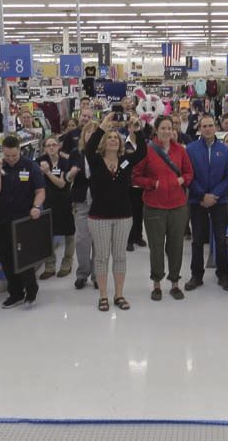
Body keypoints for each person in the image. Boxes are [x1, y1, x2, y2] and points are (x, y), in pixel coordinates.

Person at [85, 113, 147, 312]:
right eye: (109, 138)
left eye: (116, 138)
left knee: (120, 256)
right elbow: (88, 147)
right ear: (104, 142)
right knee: (101, 257)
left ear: (120, 143)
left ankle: (119, 294)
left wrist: (137, 129)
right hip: (99, 217)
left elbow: (142, 152)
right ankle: (103, 295)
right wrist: (102, 127)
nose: (112, 140)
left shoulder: (125, 161)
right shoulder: (95, 161)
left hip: (123, 216)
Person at [133, 115, 194, 302]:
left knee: (176, 246)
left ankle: (175, 283)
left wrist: (182, 180)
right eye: (163, 128)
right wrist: (153, 183)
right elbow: (135, 176)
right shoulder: (148, 151)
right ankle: (157, 283)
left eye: (170, 128)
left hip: (178, 206)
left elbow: (189, 172)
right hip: (154, 207)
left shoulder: (180, 151)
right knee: (156, 247)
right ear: (156, 130)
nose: (167, 132)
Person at [0, 135, 46, 308]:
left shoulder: (30, 166)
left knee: (24, 258)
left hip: (23, 220)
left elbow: (40, 190)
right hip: (2, 220)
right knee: (6, 259)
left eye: (14, 155)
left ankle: (31, 290)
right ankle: (15, 293)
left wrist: (36, 206)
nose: (11, 159)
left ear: (19, 151)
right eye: (7, 156)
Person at [185, 114, 228, 292]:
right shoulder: (191, 149)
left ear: (216, 127)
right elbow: (188, 175)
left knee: (221, 240)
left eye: (210, 125)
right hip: (197, 201)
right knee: (197, 240)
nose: (207, 128)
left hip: (219, 201)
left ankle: (223, 275)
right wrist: (202, 195)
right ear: (200, 128)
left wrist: (214, 195)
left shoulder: (224, 150)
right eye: (204, 126)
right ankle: (196, 275)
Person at [37, 136, 77, 279]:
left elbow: (61, 184)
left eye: (54, 144)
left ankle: (67, 263)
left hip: (65, 201)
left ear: (59, 146)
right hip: (47, 202)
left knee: (69, 233)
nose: (51, 147)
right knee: (48, 234)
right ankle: (49, 265)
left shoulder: (65, 162)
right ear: (44, 148)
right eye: (48, 145)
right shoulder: (40, 161)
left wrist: (47, 172)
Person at [71, 121, 97, 290]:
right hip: (81, 200)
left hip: (100, 201)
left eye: (95, 133)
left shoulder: (104, 153)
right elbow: (69, 177)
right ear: (83, 135)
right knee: (81, 240)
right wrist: (71, 174)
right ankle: (82, 273)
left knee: (98, 241)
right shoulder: (76, 153)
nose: (91, 136)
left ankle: (96, 275)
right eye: (89, 133)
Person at [124, 96, 149, 253]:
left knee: (139, 212)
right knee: (128, 212)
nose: (134, 127)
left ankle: (138, 236)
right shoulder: (122, 143)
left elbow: (143, 155)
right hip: (126, 184)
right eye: (132, 125)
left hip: (140, 184)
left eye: (136, 125)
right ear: (128, 128)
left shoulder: (142, 143)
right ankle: (128, 239)